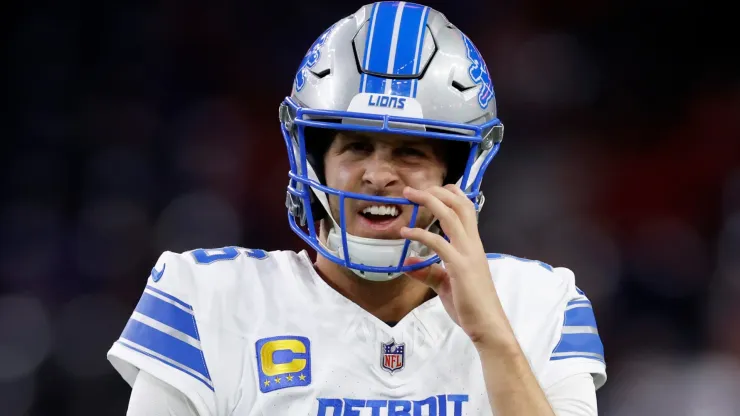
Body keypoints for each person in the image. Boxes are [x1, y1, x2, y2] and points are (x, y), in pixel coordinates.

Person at [108, 2, 607, 415]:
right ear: (316, 161)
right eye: (355, 146)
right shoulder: (207, 297)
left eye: (410, 151)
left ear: (456, 174)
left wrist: (492, 337)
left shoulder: (540, 303)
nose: (377, 175)